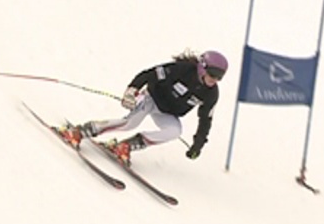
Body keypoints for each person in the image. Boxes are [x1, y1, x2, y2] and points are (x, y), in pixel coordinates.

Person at [60, 49, 228, 166]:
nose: (215, 80)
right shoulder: (181, 70)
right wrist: (132, 90)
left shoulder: (211, 94)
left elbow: (206, 120)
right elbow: (150, 74)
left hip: (167, 112)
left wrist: (197, 145)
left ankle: (126, 146)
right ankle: (80, 131)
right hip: (150, 98)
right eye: (213, 74)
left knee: (174, 131)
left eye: (219, 77)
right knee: (129, 123)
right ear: (202, 68)